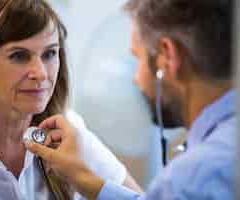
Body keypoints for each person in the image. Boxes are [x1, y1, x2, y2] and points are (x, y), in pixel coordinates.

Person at [25, 0, 237, 199]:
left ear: (168, 56)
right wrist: (87, 180)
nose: (135, 79)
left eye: (138, 58)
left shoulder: (189, 181)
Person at [0, 0, 140, 199]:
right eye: (19, 56)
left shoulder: (69, 132)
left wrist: (81, 177)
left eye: (50, 53)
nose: (41, 74)